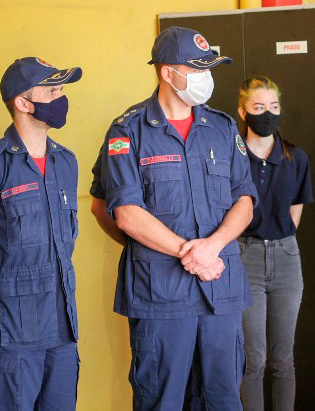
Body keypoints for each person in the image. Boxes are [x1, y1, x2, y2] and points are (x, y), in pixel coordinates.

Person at [99, 26, 258, 410]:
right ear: (167, 73)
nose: (206, 78)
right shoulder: (128, 130)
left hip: (221, 291)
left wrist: (213, 246)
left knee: (222, 398)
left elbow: (246, 199)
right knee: (162, 401)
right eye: (197, 68)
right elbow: (124, 212)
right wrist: (190, 252)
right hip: (161, 296)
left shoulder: (221, 128)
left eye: (209, 69)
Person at [0, 57, 83, 409]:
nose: (61, 97)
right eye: (51, 90)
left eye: (61, 89)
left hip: (62, 332)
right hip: (10, 334)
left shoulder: (66, 162)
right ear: (22, 103)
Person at [235, 77, 313, 411]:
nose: (267, 114)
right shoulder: (230, 157)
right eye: (258, 107)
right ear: (243, 112)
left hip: (285, 258)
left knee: (283, 359)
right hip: (243, 257)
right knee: (253, 359)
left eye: (273, 107)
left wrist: (278, 242)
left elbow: (296, 210)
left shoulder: (296, 158)